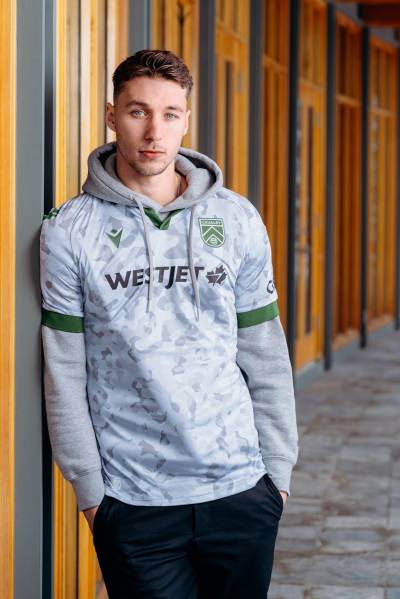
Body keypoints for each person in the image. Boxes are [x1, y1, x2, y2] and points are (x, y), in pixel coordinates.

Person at [40, 49, 299, 598]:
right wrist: (91, 494)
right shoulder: (69, 230)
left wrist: (276, 474)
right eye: (138, 112)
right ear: (112, 116)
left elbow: (265, 352)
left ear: (186, 119)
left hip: (241, 489)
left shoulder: (236, 218)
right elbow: (64, 370)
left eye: (170, 114)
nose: (154, 132)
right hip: (133, 501)